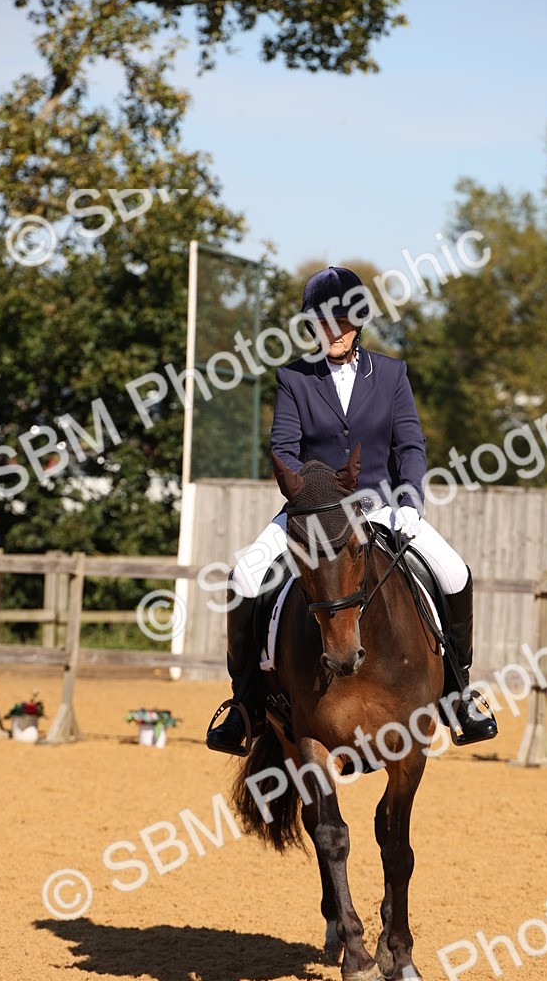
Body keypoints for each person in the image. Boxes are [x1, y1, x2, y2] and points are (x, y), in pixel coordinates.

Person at [206, 265, 497, 755]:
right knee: (245, 579)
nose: (332, 331)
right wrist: (312, 495)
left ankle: (458, 691)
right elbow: (284, 449)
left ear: (357, 322)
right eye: (322, 322)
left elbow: (410, 445)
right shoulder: (294, 378)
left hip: (380, 508)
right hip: (311, 511)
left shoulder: (390, 374)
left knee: (453, 573)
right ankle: (244, 704)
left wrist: (409, 500)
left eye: (341, 321)